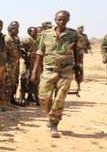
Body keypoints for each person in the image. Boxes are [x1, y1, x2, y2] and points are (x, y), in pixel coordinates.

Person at [30, 10, 82, 138]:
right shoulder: (46, 34)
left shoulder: (73, 34)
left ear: (68, 20)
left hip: (66, 71)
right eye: (59, 19)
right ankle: (50, 115)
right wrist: (34, 71)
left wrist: (80, 70)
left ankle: (54, 124)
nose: (61, 22)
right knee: (43, 97)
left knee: (59, 99)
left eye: (64, 19)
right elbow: (39, 53)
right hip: (48, 70)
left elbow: (78, 53)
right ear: (55, 20)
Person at [19, 26, 39, 105]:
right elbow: (21, 48)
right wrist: (26, 54)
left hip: (33, 64)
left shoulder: (35, 40)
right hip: (27, 63)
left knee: (33, 81)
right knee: (24, 80)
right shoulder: (27, 40)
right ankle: (22, 98)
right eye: (34, 31)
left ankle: (30, 96)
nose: (36, 33)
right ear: (29, 32)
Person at [4, 21, 22, 106]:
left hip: (15, 64)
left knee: (14, 82)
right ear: (10, 30)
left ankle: (11, 99)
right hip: (9, 65)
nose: (18, 31)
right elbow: (4, 54)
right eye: (15, 29)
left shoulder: (15, 39)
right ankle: (5, 102)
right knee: (8, 83)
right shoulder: (7, 39)